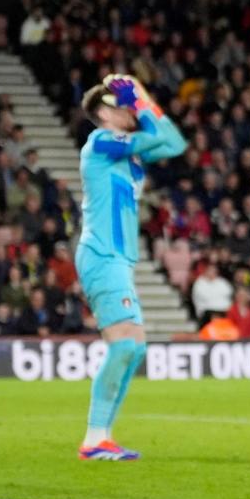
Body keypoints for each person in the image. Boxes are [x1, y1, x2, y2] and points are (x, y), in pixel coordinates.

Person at [75, 74, 186, 461]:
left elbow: (175, 142)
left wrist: (141, 94)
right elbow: (158, 136)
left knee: (135, 348)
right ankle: (93, 438)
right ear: (106, 113)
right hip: (102, 255)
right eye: (121, 106)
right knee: (123, 345)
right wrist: (140, 100)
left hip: (119, 258)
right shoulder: (102, 142)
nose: (129, 112)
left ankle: (103, 437)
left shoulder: (126, 151)